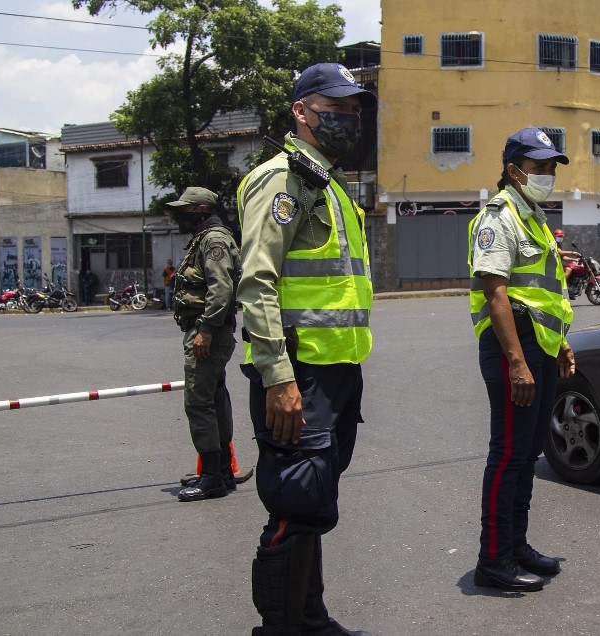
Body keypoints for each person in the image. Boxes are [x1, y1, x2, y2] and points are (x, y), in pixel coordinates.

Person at [236, 62, 376, 636]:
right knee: (296, 501)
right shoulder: (282, 180)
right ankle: (282, 627)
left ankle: (309, 619)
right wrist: (278, 377)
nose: (347, 117)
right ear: (301, 110)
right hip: (299, 374)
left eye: (353, 109)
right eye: (335, 107)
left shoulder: (327, 182)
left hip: (335, 370)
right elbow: (256, 282)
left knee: (314, 500)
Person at [467, 127, 576, 592]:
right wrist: (517, 361)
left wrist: (561, 343)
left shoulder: (532, 216)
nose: (548, 174)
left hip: (539, 347)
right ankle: (493, 558)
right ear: (514, 170)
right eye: (539, 167)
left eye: (552, 166)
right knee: (508, 454)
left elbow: (545, 294)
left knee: (527, 454)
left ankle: (516, 545)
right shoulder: (499, 217)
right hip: (514, 348)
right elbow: (497, 294)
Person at [167, 187, 241, 503]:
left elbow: (221, 288)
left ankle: (212, 477)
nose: (180, 215)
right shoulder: (206, 237)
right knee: (214, 396)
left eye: (185, 209)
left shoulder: (214, 241)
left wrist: (206, 330)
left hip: (207, 331)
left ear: (200, 209)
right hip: (206, 329)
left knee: (199, 401)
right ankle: (221, 470)